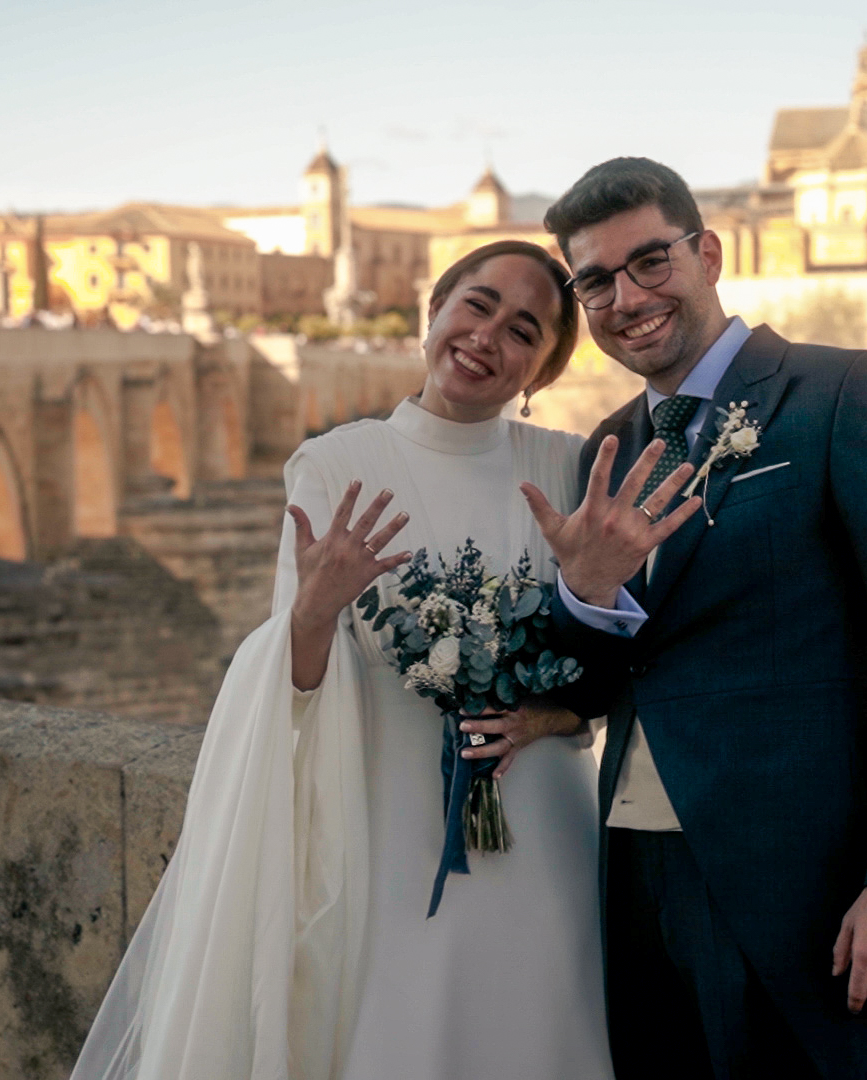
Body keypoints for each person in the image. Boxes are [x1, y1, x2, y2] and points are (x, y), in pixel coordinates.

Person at [70, 240, 681, 1080]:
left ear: (539, 371)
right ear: (433, 311)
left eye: (523, 329)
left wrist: (583, 618)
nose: (487, 336)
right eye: (476, 304)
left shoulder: (570, 466)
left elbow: (619, 666)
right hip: (389, 825)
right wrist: (316, 607)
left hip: (541, 820)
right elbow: (292, 683)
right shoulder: (331, 466)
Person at [522, 158, 867, 1079]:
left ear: (707, 253)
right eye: (598, 281)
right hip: (631, 877)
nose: (628, 297)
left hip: (804, 886)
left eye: (650, 261)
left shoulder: (842, 393)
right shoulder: (608, 452)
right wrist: (588, 594)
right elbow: (605, 682)